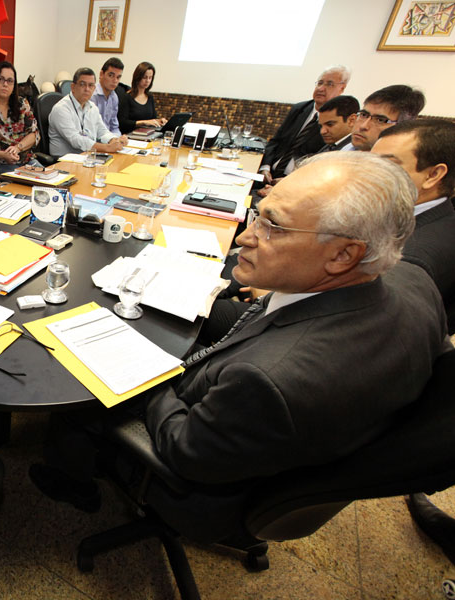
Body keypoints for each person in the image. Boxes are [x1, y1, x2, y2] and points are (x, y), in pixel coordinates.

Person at [31, 151, 449, 543]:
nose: (247, 237)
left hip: (205, 491)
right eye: (258, 216)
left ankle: (73, 484)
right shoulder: (414, 279)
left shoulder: (270, 379)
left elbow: (184, 450)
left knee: (75, 392)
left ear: (343, 255)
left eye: (274, 226)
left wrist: (146, 373)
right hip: (272, 437)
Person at [372, 119, 455, 332]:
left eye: (386, 166)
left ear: (433, 175)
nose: (367, 175)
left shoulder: (410, 256)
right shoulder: (438, 219)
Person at [259, 65, 350, 184]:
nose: (321, 88)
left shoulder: (338, 122)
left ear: (342, 88)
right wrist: (265, 167)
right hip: (270, 173)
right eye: (320, 83)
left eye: (329, 84)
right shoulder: (299, 108)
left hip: (299, 182)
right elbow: (276, 141)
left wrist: (291, 182)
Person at [48, 67, 126, 157]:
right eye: (82, 84)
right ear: (73, 87)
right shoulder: (61, 109)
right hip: (64, 160)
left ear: (94, 88)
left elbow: (102, 131)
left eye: (90, 85)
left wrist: (113, 140)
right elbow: (75, 140)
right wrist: (107, 147)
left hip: (88, 157)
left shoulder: (92, 107)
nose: (87, 89)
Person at [350, 84, 425, 151]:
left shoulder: (399, 162)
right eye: (363, 115)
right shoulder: (346, 148)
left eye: (380, 120)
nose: (363, 126)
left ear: (402, 129)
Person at [117, 61, 167, 134]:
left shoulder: (149, 97)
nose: (147, 81)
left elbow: (153, 118)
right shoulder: (126, 97)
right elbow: (122, 123)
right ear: (137, 77)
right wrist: (143, 122)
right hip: (130, 135)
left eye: (150, 78)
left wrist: (159, 121)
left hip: (147, 134)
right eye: (144, 77)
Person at [91, 57, 124, 135]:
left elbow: (114, 127)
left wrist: (118, 138)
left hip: (109, 138)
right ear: (101, 74)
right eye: (111, 75)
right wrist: (110, 139)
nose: (115, 80)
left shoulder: (114, 97)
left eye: (118, 77)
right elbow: (91, 129)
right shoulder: (92, 96)